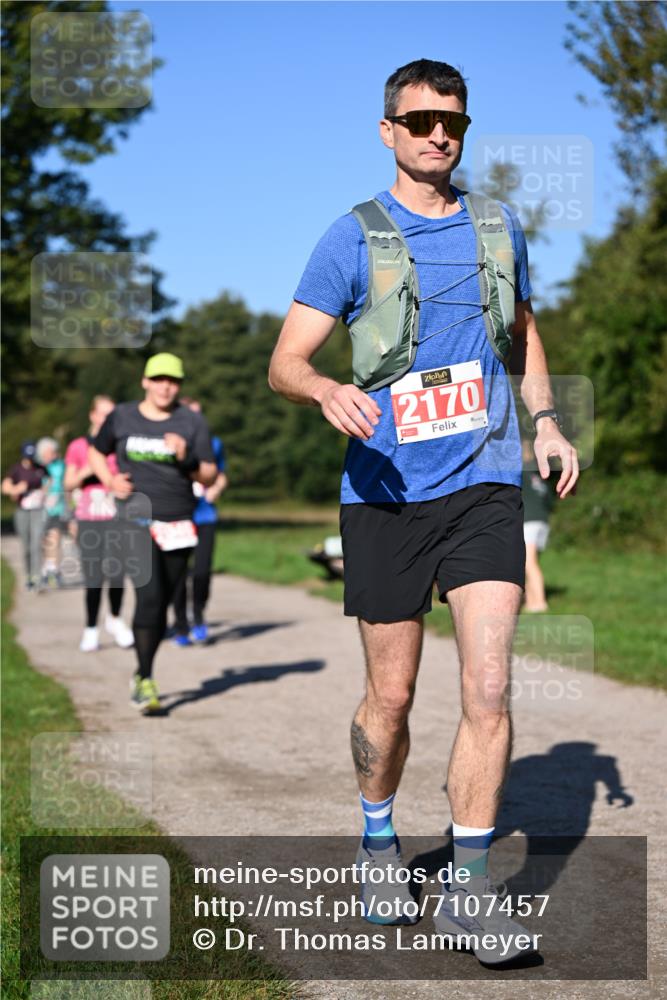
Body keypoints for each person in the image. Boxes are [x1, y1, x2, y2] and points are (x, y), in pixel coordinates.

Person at [269, 58, 579, 964]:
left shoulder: (498, 226)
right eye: (420, 120)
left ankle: (471, 893)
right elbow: (286, 360)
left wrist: (548, 423)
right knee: (392, 697)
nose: (438, 134)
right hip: (384, 492)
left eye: (453, 121)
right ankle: (377, 839)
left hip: (484, 481)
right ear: (388, 131)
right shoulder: (349, 237)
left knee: (487, 688)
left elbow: (521, 332)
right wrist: (322, 390)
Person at [88, 353, 217, 714]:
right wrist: (110, 480)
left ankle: (141, 671)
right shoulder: (122, 416)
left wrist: (186, 457)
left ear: (179, 385)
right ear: (145, 381)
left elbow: (207, 474)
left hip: (178, 522)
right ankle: (146, 678)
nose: (165, 386)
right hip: (135, 519)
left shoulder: (191, 422)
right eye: (158, 378)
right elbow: (98, 453)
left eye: (173, 380)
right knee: (149, 596)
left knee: (161, 603)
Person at [64, 396, 134, 652]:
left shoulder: (121, 445)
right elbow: (68, 484)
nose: (107, 419)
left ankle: (115, 620)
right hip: (89, 520)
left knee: (117, 575)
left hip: (117, 518)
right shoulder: (78, 447)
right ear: (92, 415)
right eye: (103, 414)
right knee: (93, 578)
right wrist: (91, 469)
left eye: (111, 414)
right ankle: (91, 628)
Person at [170, 398, 228, 646]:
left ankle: (199, 615)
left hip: (205, 515)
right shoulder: (169, 444)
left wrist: (216, 488)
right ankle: (181, 625)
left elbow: (221, 475)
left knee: (202, 571)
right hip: (177, 516)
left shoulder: (213, 444)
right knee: (179, 574)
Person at [2, 442, 46, 589]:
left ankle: (37, 577)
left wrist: (45, 491)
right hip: (23, 511)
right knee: (27, 546)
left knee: (36, 543)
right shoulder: (16, 470)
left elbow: (50, 483)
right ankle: (29, 576)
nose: (30, 460)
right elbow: (5, 487)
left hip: (38, 511)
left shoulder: (40, 468)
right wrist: (16, 489)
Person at [521, 438, 556, 613]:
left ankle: (540, 602)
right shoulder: (540, 476)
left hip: (529, 521)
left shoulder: (518, 472)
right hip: (543, 521)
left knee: (529, 563)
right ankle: (530, 601)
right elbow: (550, 502)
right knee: (531, 562)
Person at [35, 436, 68, 588]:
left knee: (55, 537)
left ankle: (54, 569)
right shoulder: (37, 468)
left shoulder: (60, 465)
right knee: (43, 541)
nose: (53, 454)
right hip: (40, 508)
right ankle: (45, 569)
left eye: (54, 452)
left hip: (57, 507)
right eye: (50, 452)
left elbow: (66, 482)